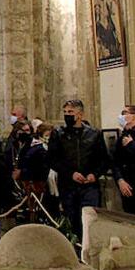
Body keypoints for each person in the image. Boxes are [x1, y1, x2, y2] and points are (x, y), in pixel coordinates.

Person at [47, 99, 109, 239]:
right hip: (68, 185)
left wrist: (95, 174)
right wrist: (71, 173)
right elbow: (52, 159)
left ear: (80, 114)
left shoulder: (94, 134)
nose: (67, 115)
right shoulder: (58, 134)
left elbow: (104, 160)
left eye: (70, 112)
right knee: (72, 219)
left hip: (89, 186)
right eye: (65, 112)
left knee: (90, 220)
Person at [18, 123, 58, 221]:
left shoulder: (47, 148)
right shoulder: (36, 148)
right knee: (37, 206)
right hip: (37, 181)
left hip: (44, 181)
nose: (48, 138)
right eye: (46, 135)